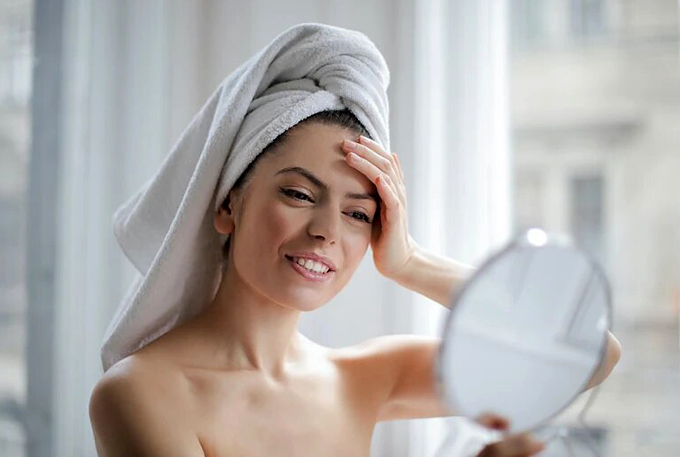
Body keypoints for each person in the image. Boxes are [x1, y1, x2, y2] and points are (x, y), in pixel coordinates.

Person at [88, 108, 621, 456]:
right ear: (229, 205)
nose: (326, 230)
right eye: (299, 194)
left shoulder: (363, 377)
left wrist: (410, 262)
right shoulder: (142, 392)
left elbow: (591, 355)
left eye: (358, 214)